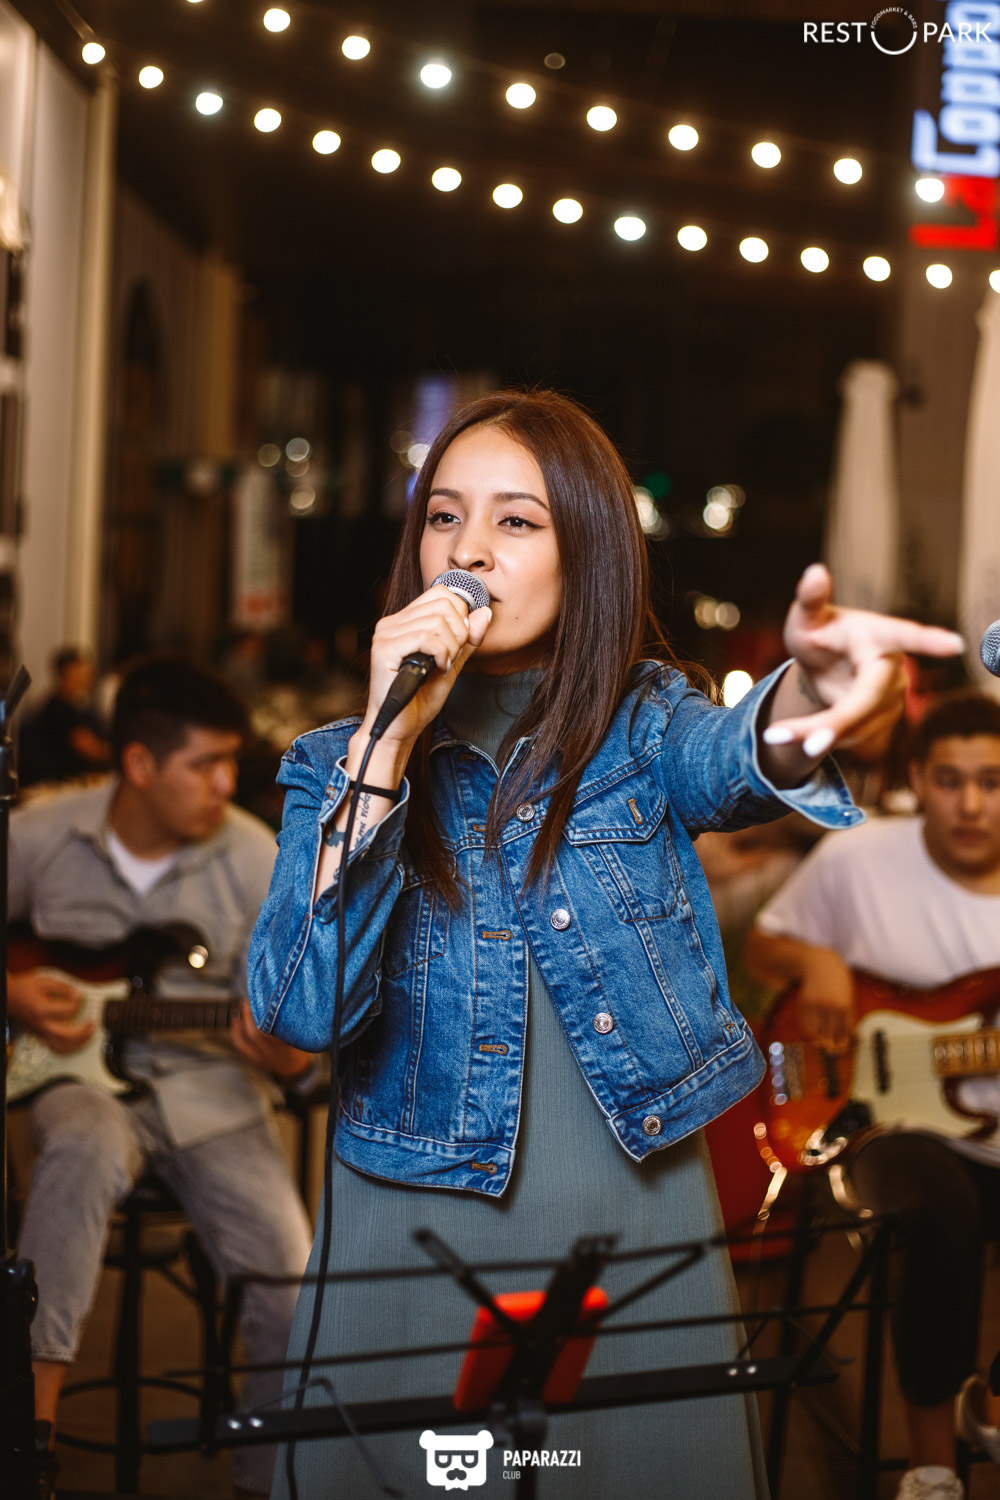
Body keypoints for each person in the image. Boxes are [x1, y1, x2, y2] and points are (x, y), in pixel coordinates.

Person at [248, 388, 961, 1499]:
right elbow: (300, 1009)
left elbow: (738, 756)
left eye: (516, 521)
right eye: (443, 516)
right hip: (409, 1226)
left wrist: (816, 696)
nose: (468, 550)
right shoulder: (327, 764)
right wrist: (382, 752)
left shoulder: (645, 726)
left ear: (586, 553)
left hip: (627, 1210)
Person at [7, 655, 315, 1496]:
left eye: (231, 762)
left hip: (215, 1096)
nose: (226, 784)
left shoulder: (256, 859)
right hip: (77, 1085)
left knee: (294, 1286)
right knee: (79, 1153)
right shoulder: (36, 835)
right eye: (204, 764)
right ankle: (29, 1442)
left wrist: (291, 1054)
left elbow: (299, 1049)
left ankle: (263, 1479)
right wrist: (12, 991)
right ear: (139, 763)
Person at [746, 691, 1000, 1500]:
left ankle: (988, 1404)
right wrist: (817, 962)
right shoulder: (859, 856)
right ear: (917, 779)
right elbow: (762, 945)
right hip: (876, 1123)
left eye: (992, 782)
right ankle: (932, 1469)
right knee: (937, 1209)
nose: (971, 804)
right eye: (950, 781)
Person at [19, 646, 111, 787]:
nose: (90, 673)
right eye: (83, 668)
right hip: (59, 782)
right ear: (69, 672)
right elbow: (86, 746)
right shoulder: (58, 708)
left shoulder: (78, 705)